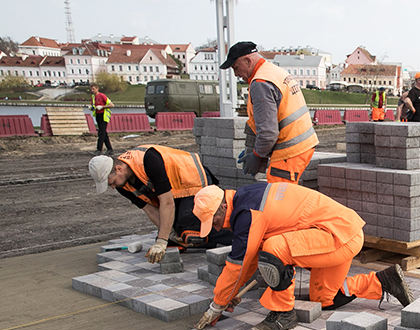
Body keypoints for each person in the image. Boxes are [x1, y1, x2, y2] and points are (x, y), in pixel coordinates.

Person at [193, 183, 415, 330]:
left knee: (274, 248)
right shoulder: (246, 196)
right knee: (323, 298)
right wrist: (229, 295)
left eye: (215, 220)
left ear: (223, 206)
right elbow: (247, 261)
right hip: (341, 234)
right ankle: (383, 281)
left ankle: (283, 315)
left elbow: (238, 267)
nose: (216, 227)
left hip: (336, 235)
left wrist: (217, 305)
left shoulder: (247, 213)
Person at [88, 145, 232, 262]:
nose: (112, 187)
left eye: (111, 182)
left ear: (119, 169)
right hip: (175, 192)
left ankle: (235, 235)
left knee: (186, 228)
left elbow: (167, 203)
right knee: (173, 235)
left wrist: (162, 240)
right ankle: (201, 239)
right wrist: (169, 233)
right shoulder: (122, 185)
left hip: (194, 181)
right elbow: (151, 210)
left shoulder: (149, 160)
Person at [220, 41, 319, 184]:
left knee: (279, 197)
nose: (236, 74)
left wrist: (256, 155)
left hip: (290, 149)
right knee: (286, 195)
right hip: (301, 143)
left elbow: (268, 133)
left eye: (236, 67)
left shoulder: (261, 83)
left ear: (247, 61)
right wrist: (254, 149)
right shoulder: (273, 71)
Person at [89, 84, 113, 156]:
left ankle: (99, 149)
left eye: (93, 89)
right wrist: (92, 108)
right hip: (98, 115)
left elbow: (111, 105)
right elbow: (94, 106)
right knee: (104, 133)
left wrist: (102, 107)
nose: (92, 90)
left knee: (101, 133)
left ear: (97, 89)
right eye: (91, 89)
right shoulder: (93, 97)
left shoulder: (102, 96)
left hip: (104, 115)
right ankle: (110, 149)